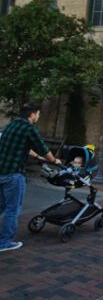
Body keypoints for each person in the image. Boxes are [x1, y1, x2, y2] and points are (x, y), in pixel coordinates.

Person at [0, 103, 62, 252]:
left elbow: (22, 147)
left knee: (1, 206)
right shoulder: (29, 128)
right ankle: (4, 243)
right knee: (12, 210)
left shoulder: (11, 125)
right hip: (14, 174)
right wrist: (54, 161)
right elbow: (43, 147)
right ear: (32, 114)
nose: (38, 117)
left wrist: (37, 157)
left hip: (1, 172)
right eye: (38, 114)